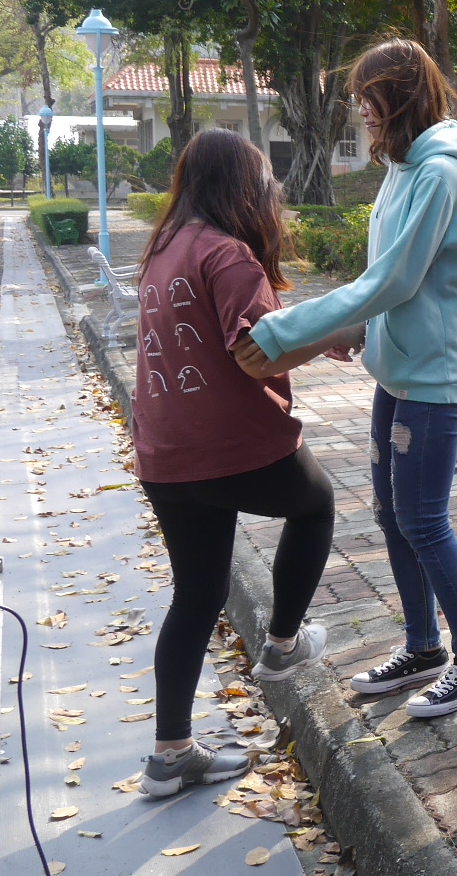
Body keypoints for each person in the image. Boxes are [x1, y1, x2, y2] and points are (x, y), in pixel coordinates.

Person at [240, 39, 457, 718]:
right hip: (398, 371)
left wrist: (283, 330)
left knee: (424, 520)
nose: (360, 110)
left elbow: (392, 279)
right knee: (393, 515)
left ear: (400, 97)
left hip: (435, 378)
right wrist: (358, 332)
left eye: (369, 97)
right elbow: (395, 289)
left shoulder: (441, 174)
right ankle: (424, 646)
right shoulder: (402, 168)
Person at [131, 129, 346, 796]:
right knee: (316, 505)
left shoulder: (162, 250)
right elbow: (258, 353)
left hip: (165, 456)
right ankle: (282, 646)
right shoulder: (229, 256)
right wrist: (333, 334)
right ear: (242, 186)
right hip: (233, 447)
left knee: (197, 595)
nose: (272, 190)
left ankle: (170, 755)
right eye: (264, 178)